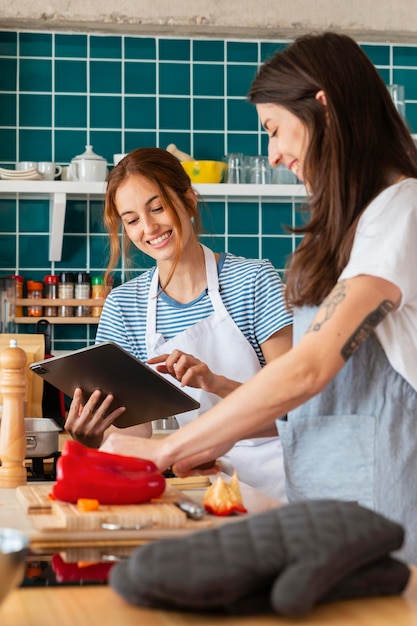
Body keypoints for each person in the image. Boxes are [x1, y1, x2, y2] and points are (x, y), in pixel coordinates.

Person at [98, 32, 417, 564]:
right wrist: (210, 443)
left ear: (324, 108)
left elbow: (306, 369)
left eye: (273, 130)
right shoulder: (361, 228)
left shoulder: (401, 211)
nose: (271, 154)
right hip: (334, 510)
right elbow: (312, 407)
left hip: (385, 510)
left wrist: (169, 449)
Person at [66, 147, 293, 500]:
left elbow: (294, 408)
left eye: (157, 208)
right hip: (199, 485)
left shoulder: (253, 281)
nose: (149, 228)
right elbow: (133, 435)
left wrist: (215, 383)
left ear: (188, 200)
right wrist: (94, 438)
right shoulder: (124, 307)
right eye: (132, 219)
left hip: (280, 482)